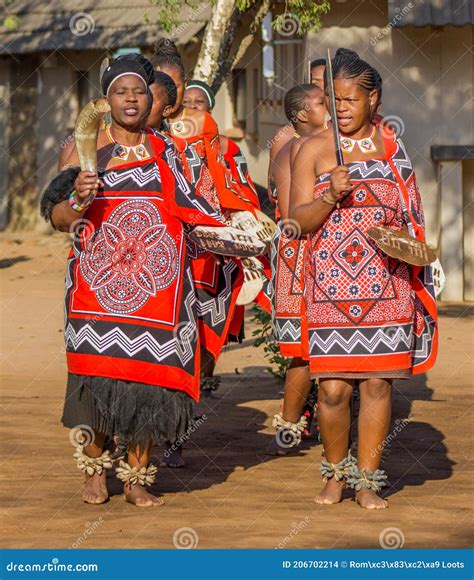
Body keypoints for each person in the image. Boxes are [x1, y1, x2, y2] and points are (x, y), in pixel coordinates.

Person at [40, 54, 226, 506]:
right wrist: (79, 200)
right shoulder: (84, 149)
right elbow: (58, 217)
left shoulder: (168, 151)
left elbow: (196, 210)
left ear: (152, 100)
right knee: (98, 380)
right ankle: (94, 471)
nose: (130, 98)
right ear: (107, 98)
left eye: (139, 91)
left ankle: (138, 476)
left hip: (158, 291)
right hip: (100, 289)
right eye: (121, 91)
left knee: (151, 385)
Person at [289, 48, 438, 509]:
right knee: (332, 389)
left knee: (376, 386)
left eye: (352, 99)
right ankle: (335, 475)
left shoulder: (394, 150)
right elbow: (296, 221)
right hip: (330, 289)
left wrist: (417, 255)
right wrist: (330, 196)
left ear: (375, 100)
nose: (343, 108)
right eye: (335, 100)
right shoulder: (313, 148)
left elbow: (412, 217)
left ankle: (368, 478)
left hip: (387, 288)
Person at [267, 84, 327, 455]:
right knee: (303, 346)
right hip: (301, 251)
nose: (331, 109)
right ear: (302, 114)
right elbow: (292, 214)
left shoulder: (330, 146)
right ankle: (289, 426)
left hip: (326, 249)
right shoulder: (292, 149)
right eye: (322, 103)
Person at [267, 58, 326, 207]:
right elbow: (275, 191)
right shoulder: (286, 139)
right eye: (315, 81)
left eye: (327, 81)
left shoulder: (334, 134)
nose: (322, 87)